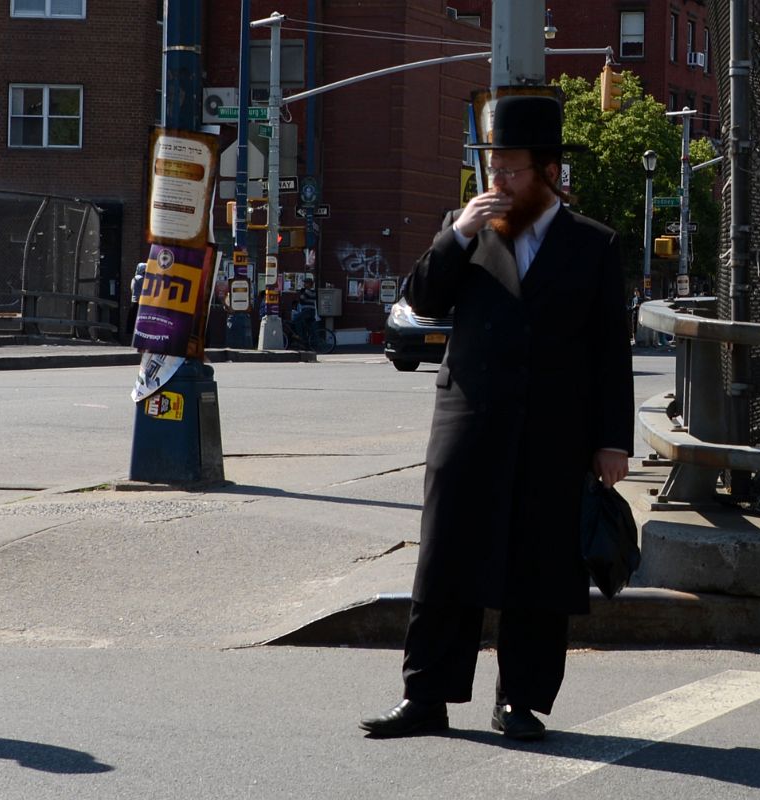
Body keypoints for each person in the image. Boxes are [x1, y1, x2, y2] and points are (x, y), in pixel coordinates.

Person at [359, 95, 633, 742]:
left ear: (547, 173)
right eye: (492, 168)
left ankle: (521, 701)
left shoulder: (593, 245)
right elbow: (421, 299)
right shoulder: (469, 228)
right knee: (447, 559)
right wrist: (456, 234)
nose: (498, 182)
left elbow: (608, 355)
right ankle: (425, 697)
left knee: (539, 566)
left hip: (553, 429)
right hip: (469, 418)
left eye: (511, 170)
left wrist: (611, 442)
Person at [292, 277, 318, 348]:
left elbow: (301, 299)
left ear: (309, 284)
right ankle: (306, 341)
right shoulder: (312, 291)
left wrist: (300, 294)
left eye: (305, 283)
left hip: (308, 311)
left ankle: (300, 337)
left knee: (296, 319)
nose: (304, 284)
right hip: (310, 311)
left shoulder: (308, 291)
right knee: (305, 325)